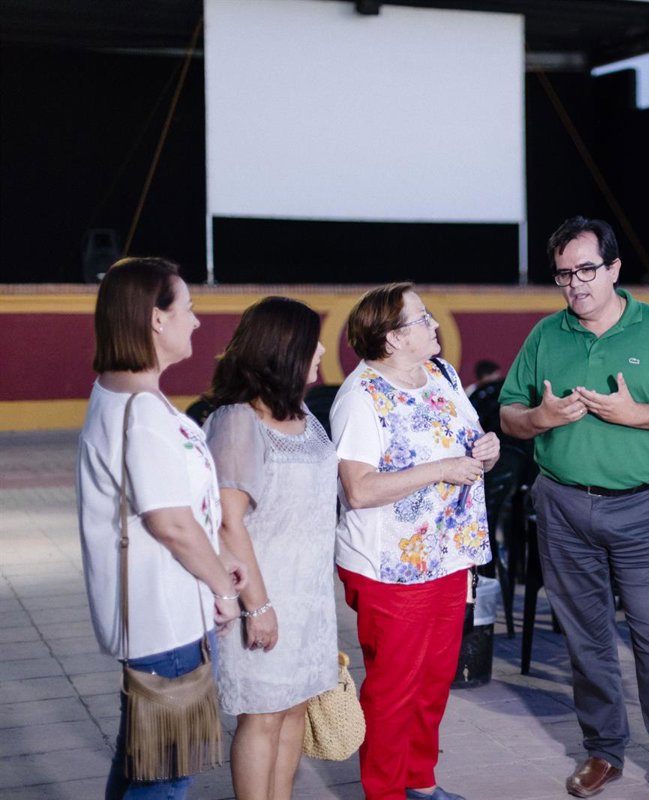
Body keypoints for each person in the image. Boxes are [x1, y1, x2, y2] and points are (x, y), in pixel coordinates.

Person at [499, 216, 649, 800]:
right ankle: (603, 751)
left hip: (644, 510)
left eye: (587, 270)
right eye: (564, 274)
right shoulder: (546, 335)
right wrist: (539, 418)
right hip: (564, 506)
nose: (575, 284)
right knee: (585, 638)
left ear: (614, 268)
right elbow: (509, 415)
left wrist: (635, 414)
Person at [77, 257, 244, 800]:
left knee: (141, 762)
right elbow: (170, 522)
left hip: (153, 614)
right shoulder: (142, 409)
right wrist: (223, 589)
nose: (195, 321)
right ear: (156, 318)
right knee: (165, 778)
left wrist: (219, 558)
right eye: (188, 308)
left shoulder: (119, 393)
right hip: (167, 620)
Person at [330, 283, 500, 800]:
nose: (434, 324)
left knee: (433, 680)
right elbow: (359, 490)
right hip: (390, 566)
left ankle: (420, 782)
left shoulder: (442, 374)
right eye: (423, 318)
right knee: (393, 689)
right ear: (392, 338)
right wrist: (441, 469)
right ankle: (384, 792)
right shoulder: (361, 398)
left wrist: (485, 451)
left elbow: (464, 446)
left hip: (447, 554)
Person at [203, 297, 339, 800]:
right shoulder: (237, 420)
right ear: (283, 349)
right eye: (311, 342)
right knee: (261, 716)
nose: (321, 350)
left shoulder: (305, 417)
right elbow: (228, 522)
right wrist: (257, 606)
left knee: (295, 706)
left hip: (309, 599)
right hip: (262, 593)